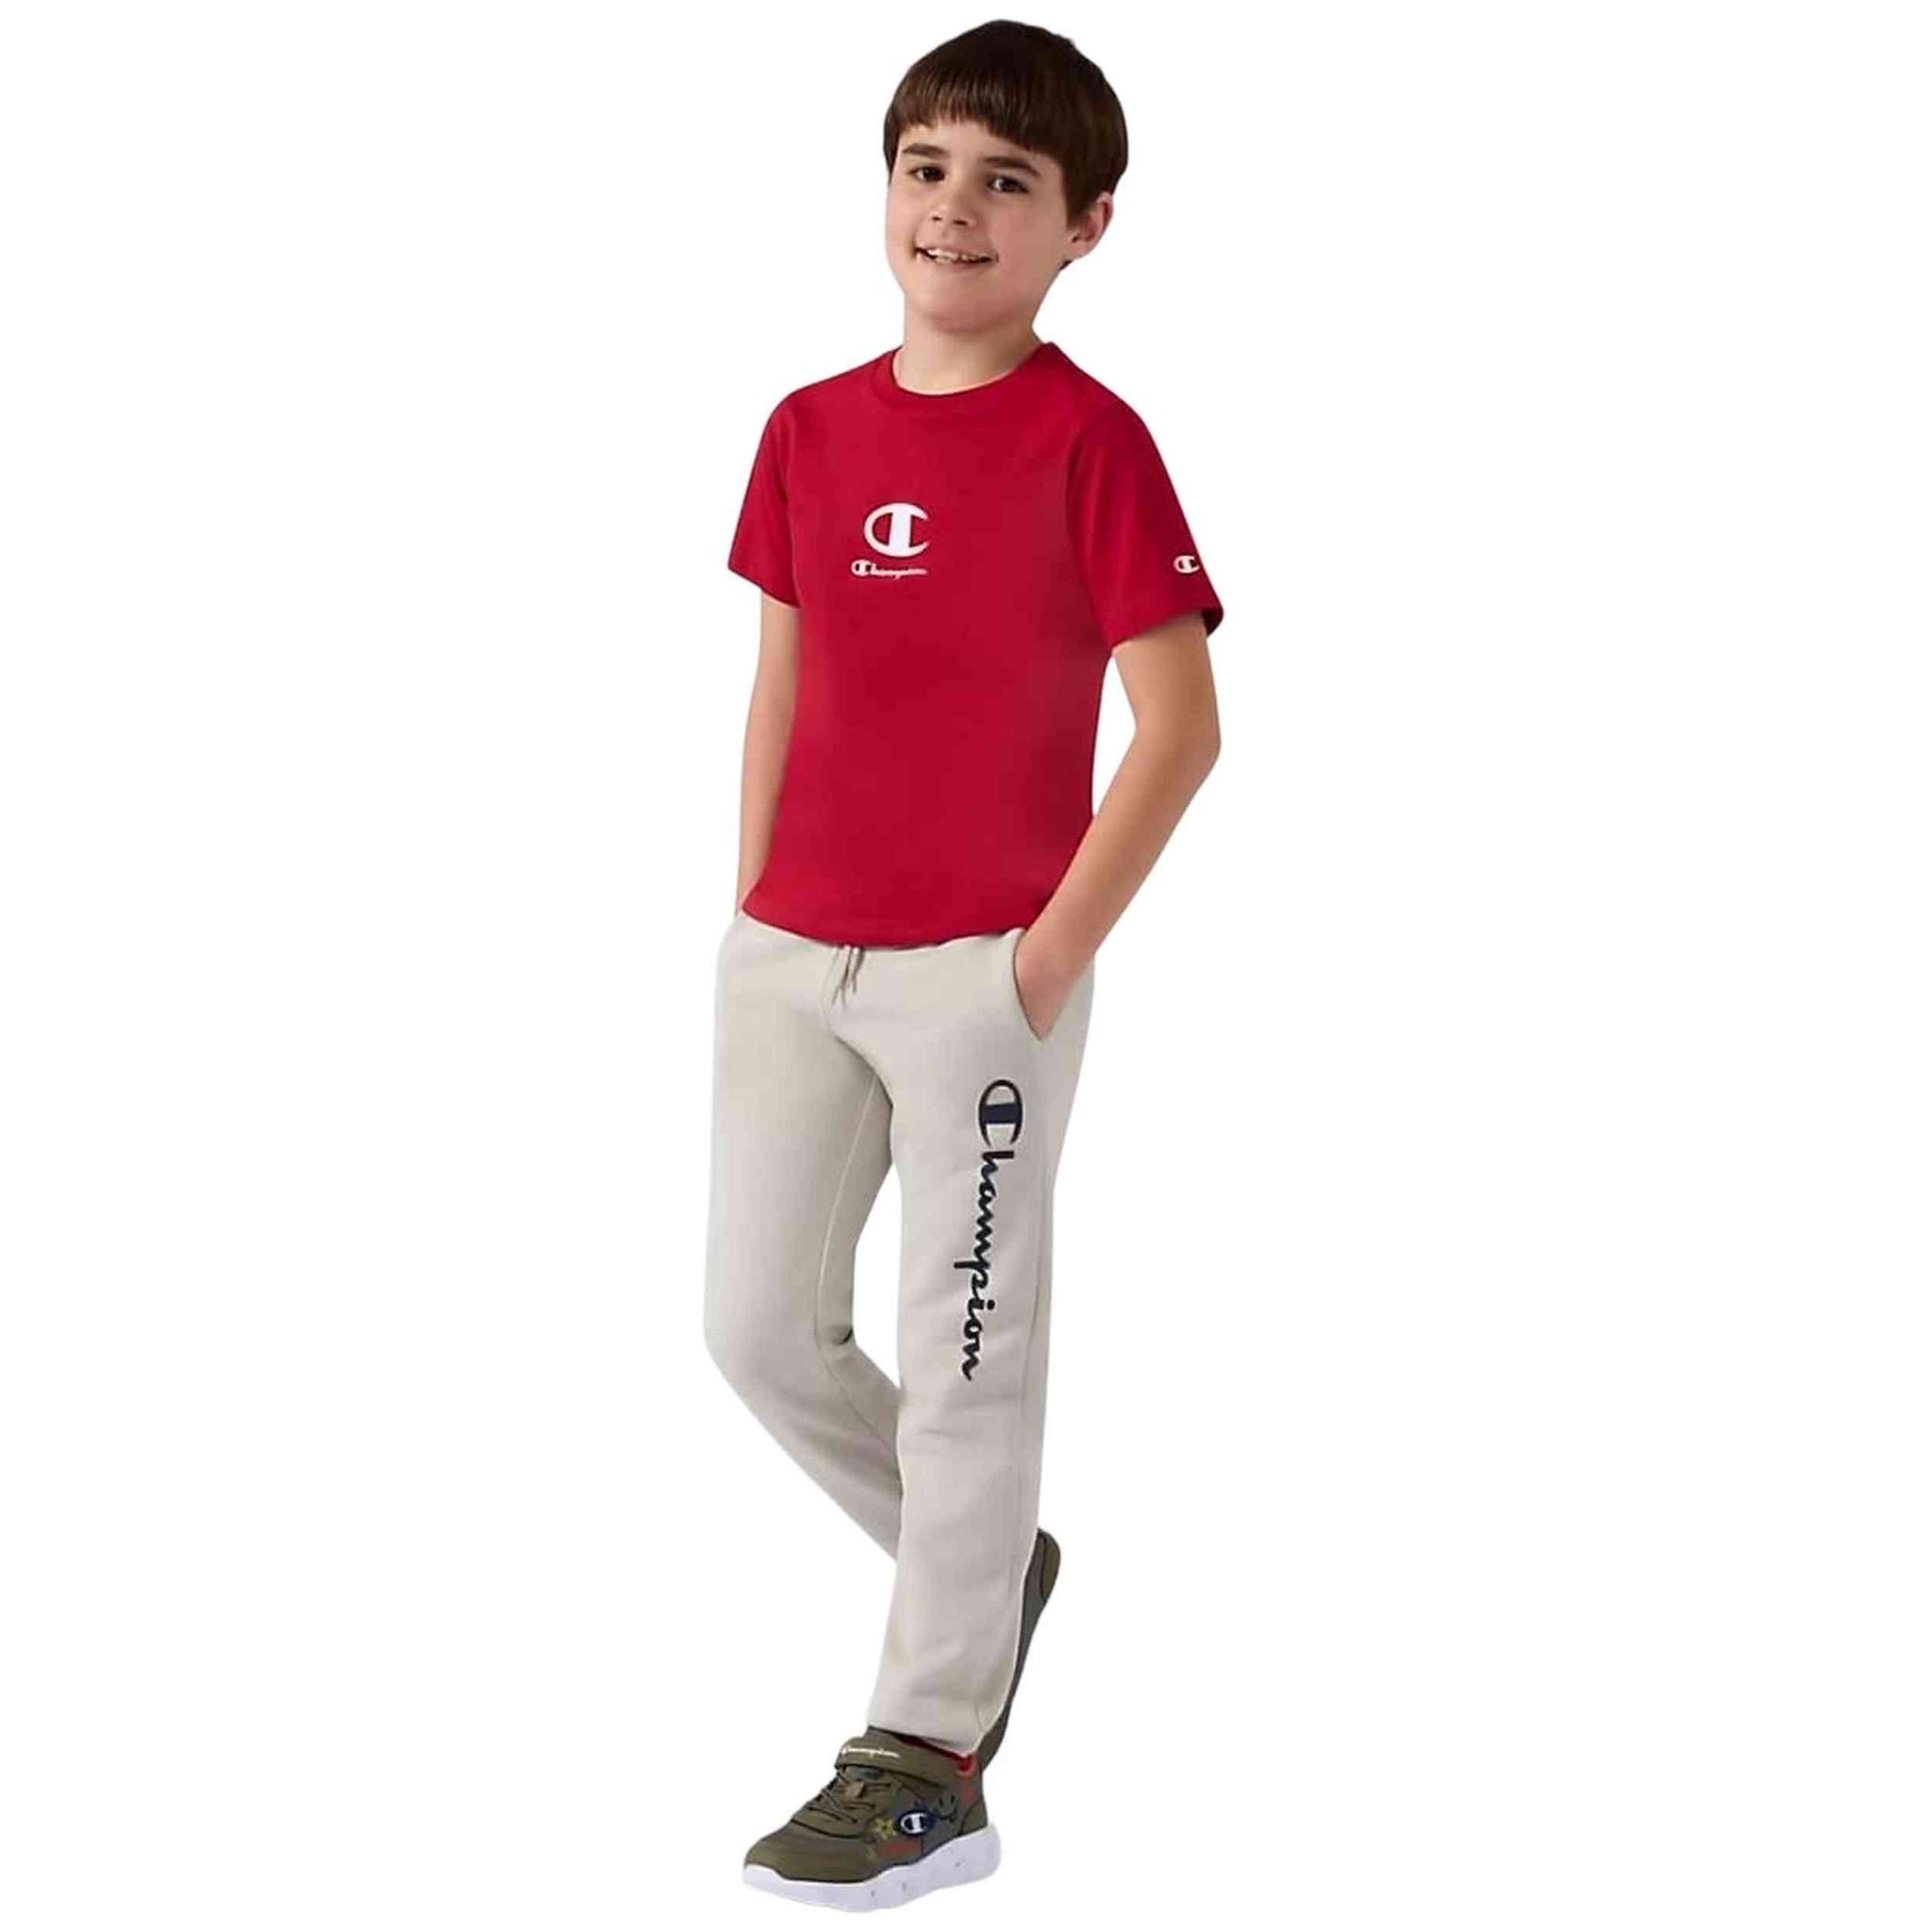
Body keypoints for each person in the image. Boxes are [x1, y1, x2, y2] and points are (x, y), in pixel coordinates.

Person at [705, 19, 1224, 1911]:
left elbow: (1181, 727)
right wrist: (753, 904)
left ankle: (928, 1757)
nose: (953, 206)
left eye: (1008, 180)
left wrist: (1041, 962)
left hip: (981, 977)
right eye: (925, 165)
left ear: (1084, 226)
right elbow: (783, 676)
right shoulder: (806, 428)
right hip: (793, 953)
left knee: (966, 1361)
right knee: (755, 1327)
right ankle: (988, 1566)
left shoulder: (1091, 441)